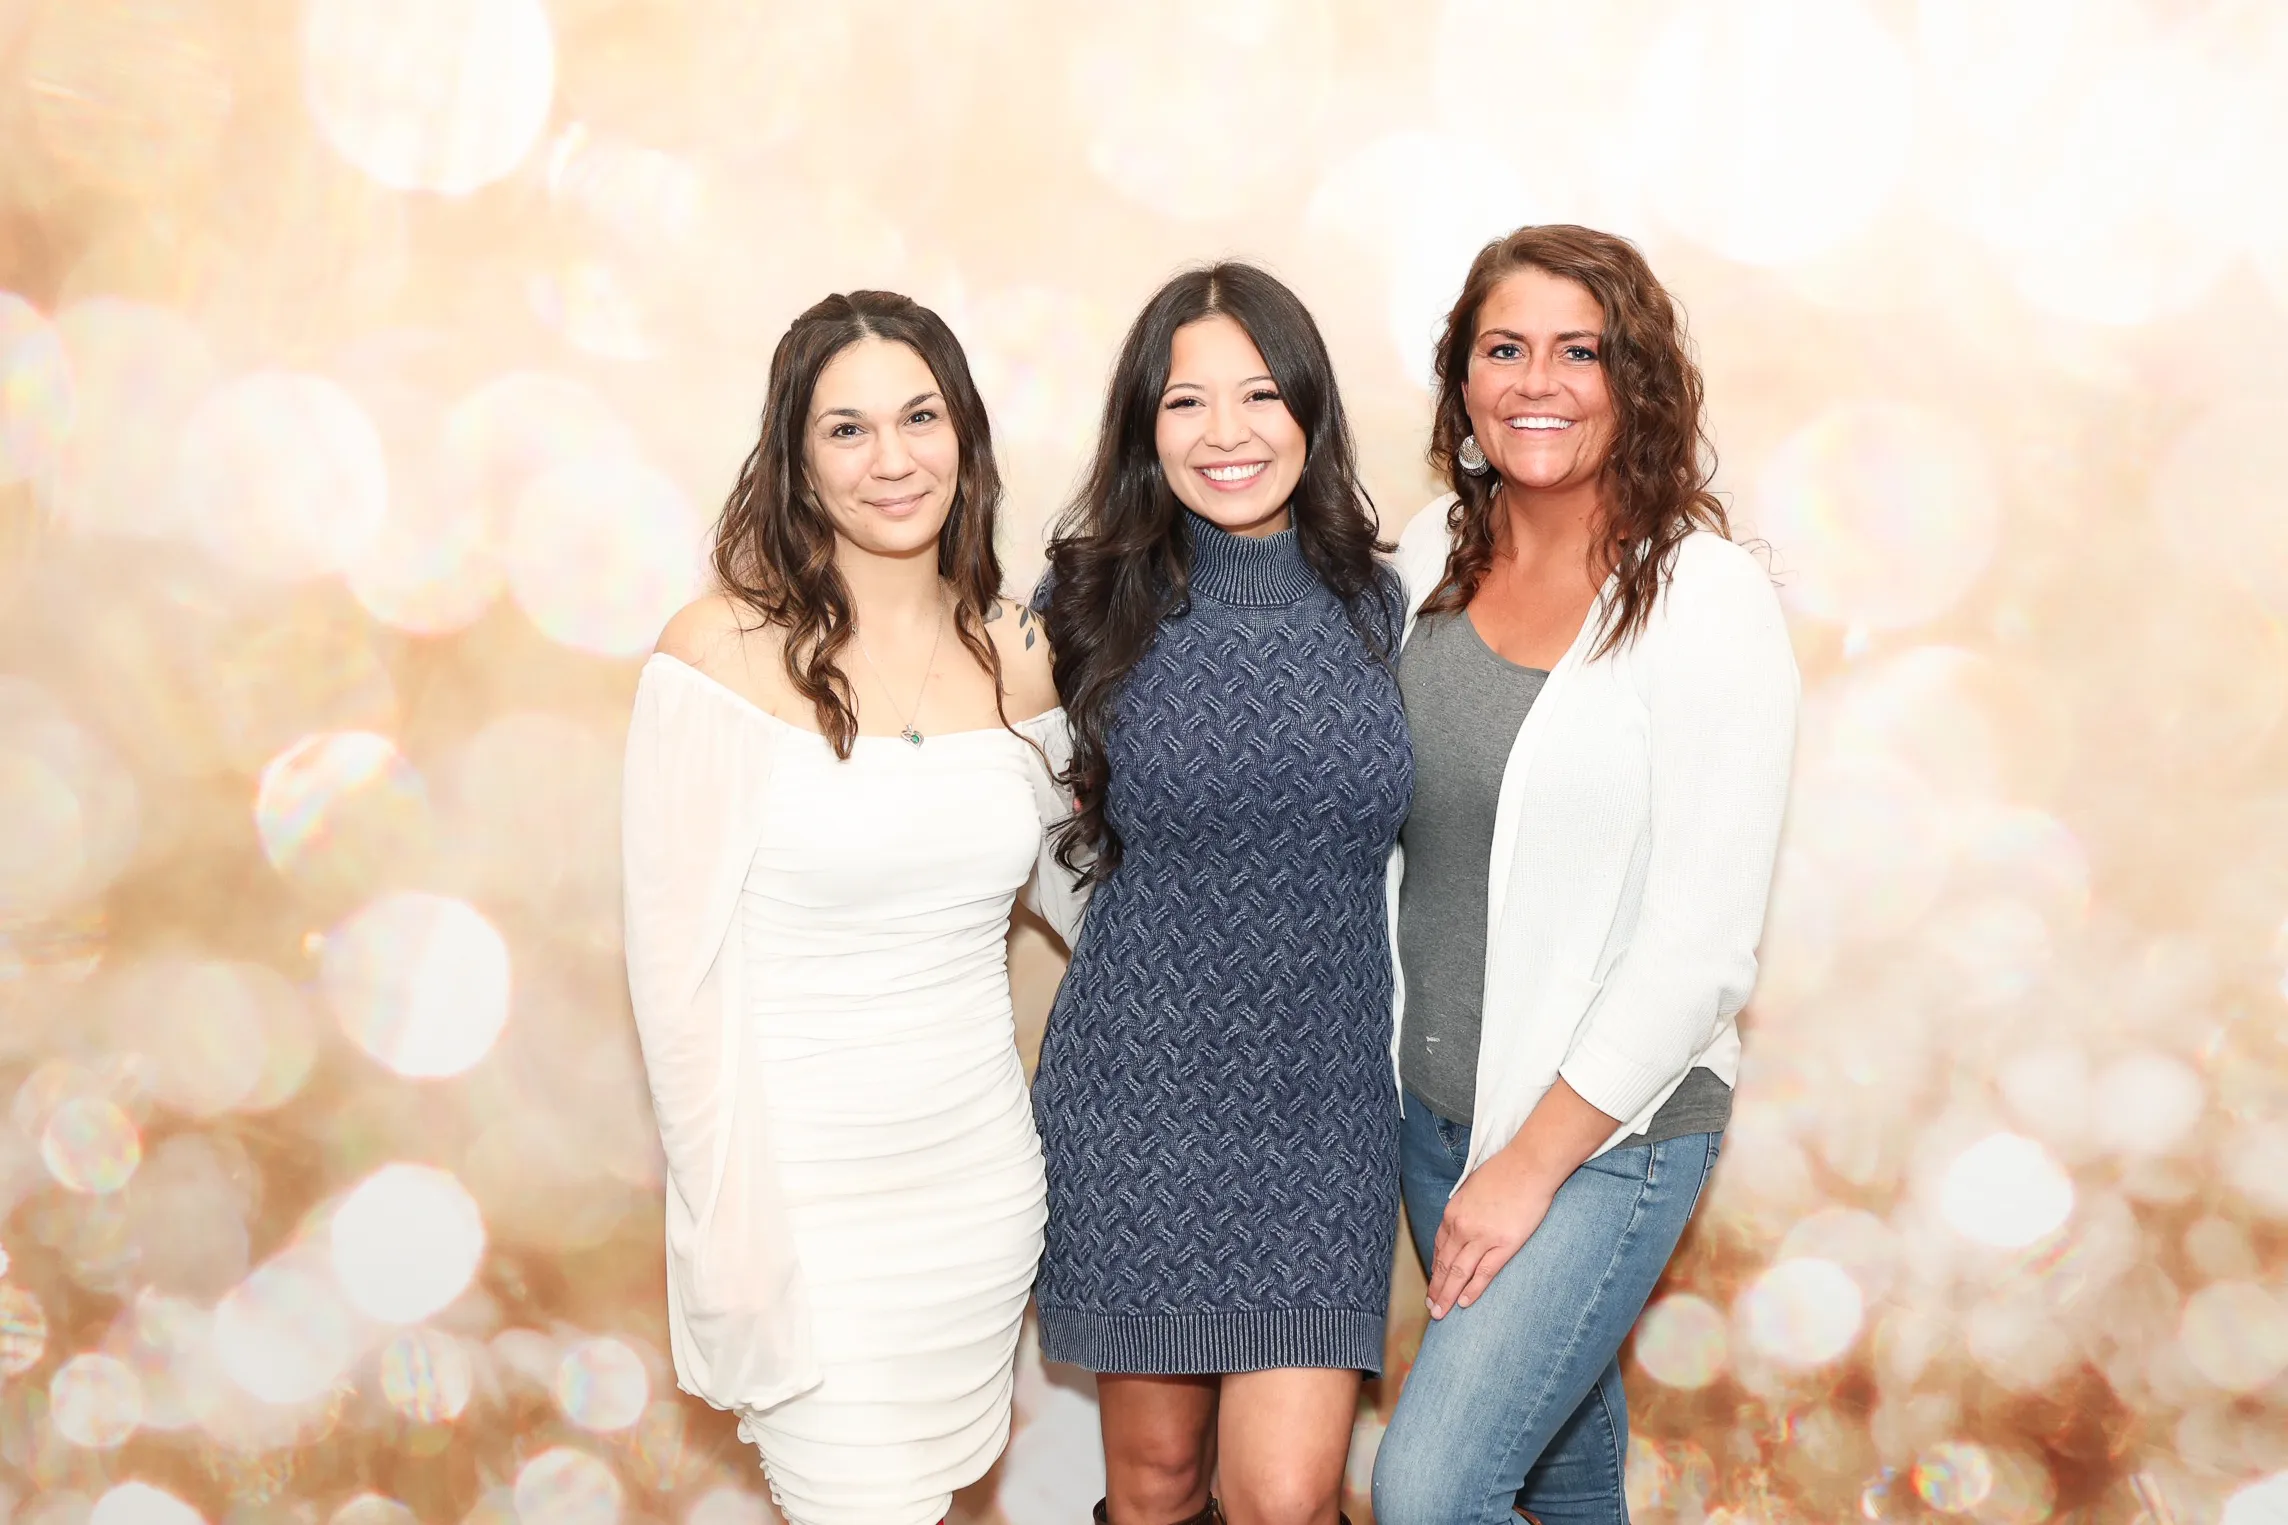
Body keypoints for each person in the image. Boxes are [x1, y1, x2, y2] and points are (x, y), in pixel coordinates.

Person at [620, 289, 1084, 1525]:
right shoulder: (714, 655)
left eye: (918, 416)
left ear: (963, 434)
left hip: (978, 1196)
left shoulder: (1024, 653)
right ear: (795, 458)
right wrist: (727, 1233)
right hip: (805, 1211)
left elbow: (1096, 901)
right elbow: (675, 982)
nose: (892, 459)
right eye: (847, 429)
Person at [1367, 225, 1798, 1525]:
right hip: (1435, 1111)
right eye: (1505, 348)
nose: (1536, 380)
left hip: (1603, 1132)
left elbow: (1703, 946)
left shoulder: (1705, 600)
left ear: (1636, 381)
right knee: (1559, 1474)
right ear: (1462, 379)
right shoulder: (1423, 559)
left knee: (1432, 1491)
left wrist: (1527, 1168)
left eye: (1579, 350)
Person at [1033, 262, 1413, 1525]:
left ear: (1308, 410)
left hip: (1323, 1115)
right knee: (1151, 1485)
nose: (1227, 432)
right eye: (1186, 402)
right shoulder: (1082, 604)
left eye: (1259, 394)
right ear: (1145, 426)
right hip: (1136, 1102)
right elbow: (1007, 830)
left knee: (1288, 1492)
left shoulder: (1383, 604)